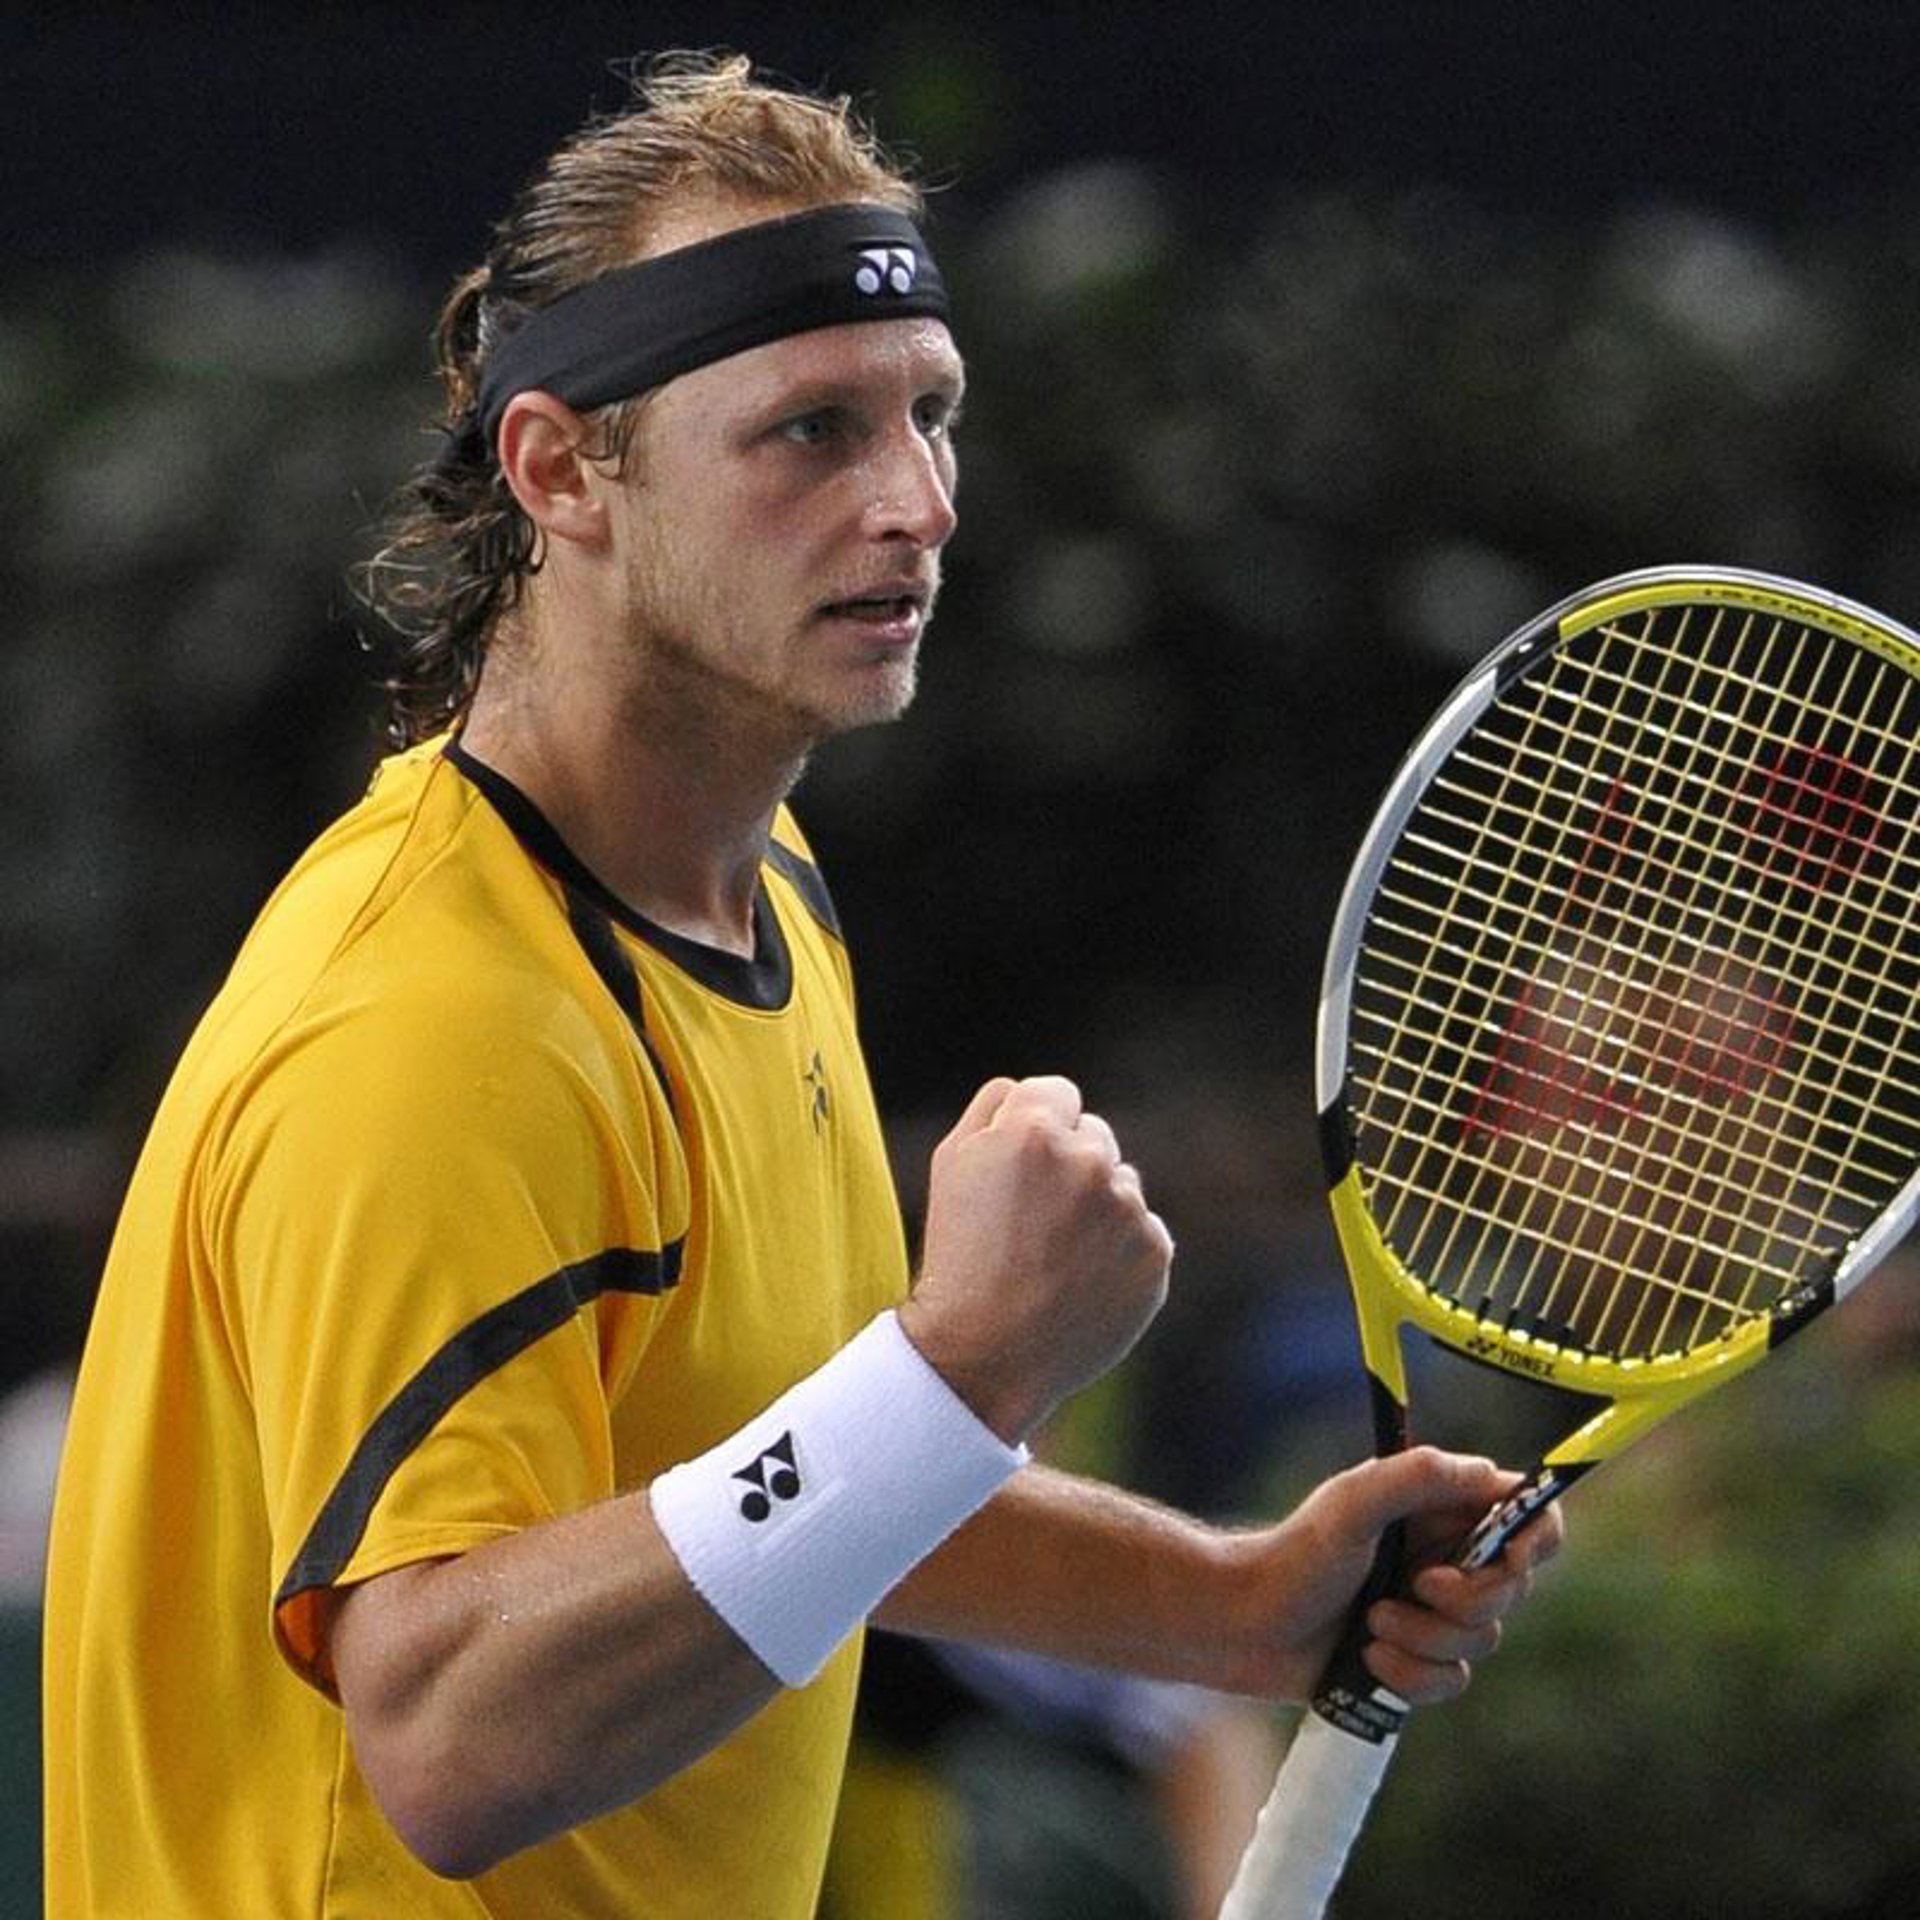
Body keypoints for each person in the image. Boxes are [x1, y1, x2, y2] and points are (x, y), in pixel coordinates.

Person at [43, 52, 1562, 1919]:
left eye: (932, 415)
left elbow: (780, 1486)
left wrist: (1231, 1607)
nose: (915, 500)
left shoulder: (762, 891)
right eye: (811, 432)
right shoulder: (430, 1028)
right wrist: (965, 1366)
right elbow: (448, 1738)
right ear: (561, 471)